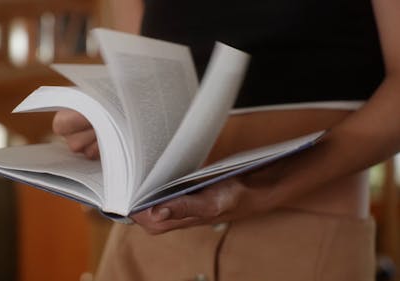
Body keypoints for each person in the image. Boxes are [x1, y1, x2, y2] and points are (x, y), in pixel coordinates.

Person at [52, 0, 400, 280]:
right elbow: (135, 74)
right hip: (152, 244)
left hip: (303, 242)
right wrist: (109, 123)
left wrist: (268, 188)